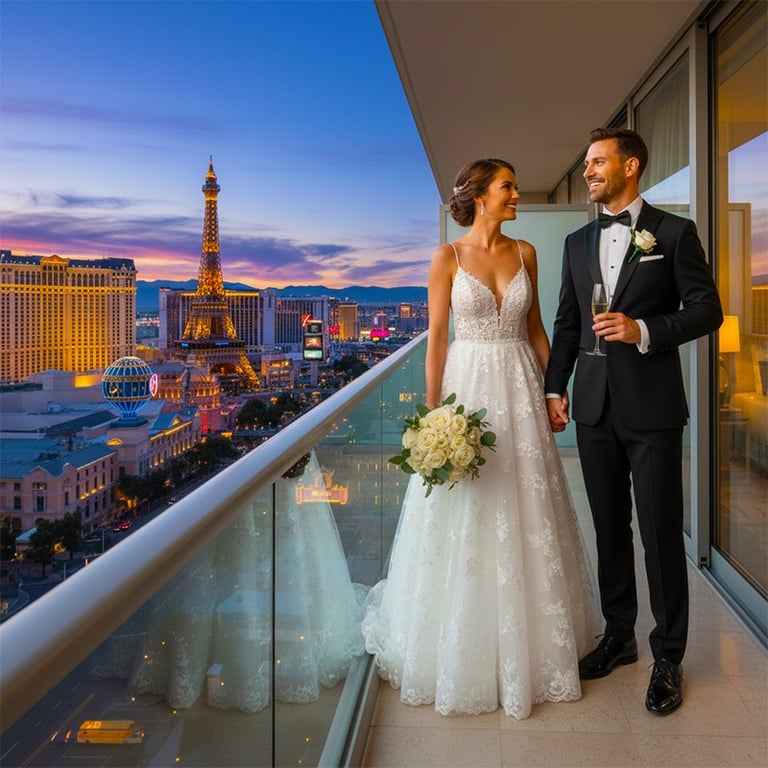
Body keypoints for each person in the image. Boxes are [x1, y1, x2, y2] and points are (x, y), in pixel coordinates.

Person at [362, 158, 601, 719]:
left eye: (515, 185)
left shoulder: (526, 254)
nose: (517, 194)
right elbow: (438, 337)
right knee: (466, 507)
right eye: (508, 187)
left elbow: (537, 329)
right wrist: (431, 414)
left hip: (519, 386)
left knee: (526, 504)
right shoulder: (446, 257)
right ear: (480, 196)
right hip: (466, 391)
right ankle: (457, 646)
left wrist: (554, 389)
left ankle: (533, 647)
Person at [545, 128, 723, 715]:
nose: (590, 171)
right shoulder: (575, 242)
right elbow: (567, 323)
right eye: (588, 162)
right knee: (609, 529)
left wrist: (644, 330)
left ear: (631, 165)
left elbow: (707, 310)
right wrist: (555, 387)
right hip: (592, 407)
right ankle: (619, 637)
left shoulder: (673, 233)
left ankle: (668, 656)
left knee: (659, 532)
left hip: (652, 410)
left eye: (598, 162)